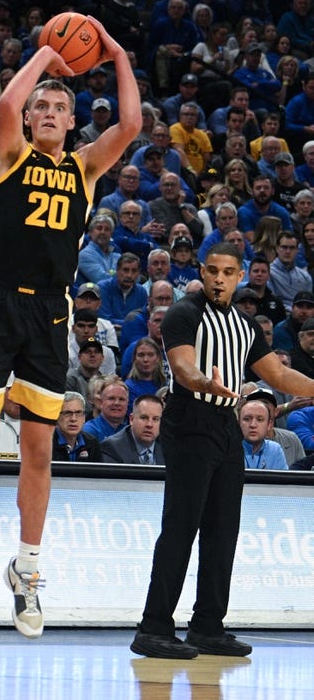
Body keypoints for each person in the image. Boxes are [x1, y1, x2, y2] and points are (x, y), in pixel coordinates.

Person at [0, 20, 141, 639]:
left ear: (71, 121)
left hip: (51, 312)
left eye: (60, 106)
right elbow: (3, 100)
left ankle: (26, 571)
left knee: (38, 447)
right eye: (41, 106)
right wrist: (49, 54)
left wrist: (120, 54)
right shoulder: (11, 154)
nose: (49, 112)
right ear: (28, 120)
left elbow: (130, 126)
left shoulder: (83, 168)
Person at [132, 242, 314, 660]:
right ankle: (153, 627)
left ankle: (207, 626)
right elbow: (182, 367)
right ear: (203, 270)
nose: (218, 278)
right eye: (212, 270)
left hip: (226, 426)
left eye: (227, 272)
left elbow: (279, 373)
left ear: (240, 275)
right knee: (181, 526)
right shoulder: (184, 313)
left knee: (222, 530)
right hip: (189, 422)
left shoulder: (245, 325)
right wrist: (204, 384)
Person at [100, 394, 165, 465]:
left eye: (155, 419)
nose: (149, 424)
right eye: (144, 418)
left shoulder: (169, 447)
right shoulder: (112, 447)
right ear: (131, 419)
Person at [239, 398, 289, 470]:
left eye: (260, 419)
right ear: (238, 423)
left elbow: (283, 481)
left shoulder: (275, 450)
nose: (253, 425)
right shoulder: (228, 449)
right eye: (247, 419)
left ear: (269, 425)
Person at [51, 391, 101, 462]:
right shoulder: (46, 443)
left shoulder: (92, 443)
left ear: (84, 417)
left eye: (78, 413)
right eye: (67, 413)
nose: (73, 419)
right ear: (57, 416)